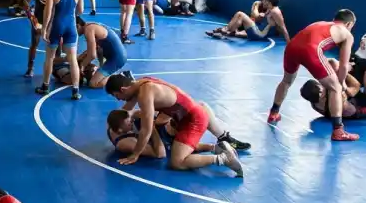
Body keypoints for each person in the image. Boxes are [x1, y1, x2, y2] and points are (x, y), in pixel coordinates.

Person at [104, 73, 248, 175]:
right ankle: (218, 147)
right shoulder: (141, 83)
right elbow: (126, 110)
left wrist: (134, 155)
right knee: (174, 143)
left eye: (118, 96)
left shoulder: (144, 95)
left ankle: (223, 159)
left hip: (193, 120)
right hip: (184, 115)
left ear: (123, 90)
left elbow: (146, 130)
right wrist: (113, 124)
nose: (119, 100)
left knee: (177, 162)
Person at [268, 9, 359, 141]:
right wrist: (342, 83)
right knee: (336, 88)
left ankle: (273, 113)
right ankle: (338, 131)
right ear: (349, 24)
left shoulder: (321, 23)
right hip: (310, 50)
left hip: (292, 47)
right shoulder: (347, 34)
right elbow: (344, 66)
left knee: (287, 81)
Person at [37, 0, 84, 100]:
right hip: (71, 25)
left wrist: (44, 29)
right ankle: (75, 90)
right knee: (72, 60)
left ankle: (45, 86)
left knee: (49, 58)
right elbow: (80, 10)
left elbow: (48, 11)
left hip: (56, 26)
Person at [107, 109, 215, 158]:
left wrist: (136, 114)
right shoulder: (126, 143)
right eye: (129, 123)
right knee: (183, 145)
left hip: (156, 131)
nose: (132, 121)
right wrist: (151, 127)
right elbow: (160, 154)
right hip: (160, 140)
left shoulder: (116, 123)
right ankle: (214, 149)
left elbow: (133, 113)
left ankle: (214, 146)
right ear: (121, 130)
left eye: (131, 120)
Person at [206, 0, 290, 43]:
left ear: (269, 1)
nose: (262, 1)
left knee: (240, 14)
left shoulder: (275, 12)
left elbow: (283, 28)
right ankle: (225, 31)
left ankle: (224, 30)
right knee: (239, 18)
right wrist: (262, 15)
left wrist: (288, 44)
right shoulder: (270, 9)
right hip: (258, 29)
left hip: (259, 34)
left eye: (264, 0)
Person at [75, 17, 127, 88]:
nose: (74, 34)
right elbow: (96, 49)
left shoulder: (88, 30)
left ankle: (122, 76)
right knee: (92, 52)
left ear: (78, 26)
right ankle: (105, 72)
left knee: (93, 84)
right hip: (116, 55)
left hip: (117, 59)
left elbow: (92, 55)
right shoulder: (90, 25)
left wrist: (82, 66)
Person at [23, 0, 53, 77]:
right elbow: (27, 2)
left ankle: (57, 67)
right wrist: (30, 14)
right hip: (39, 18)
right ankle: (30, 68)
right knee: (35, 43)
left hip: (53, 19)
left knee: (56, 44)